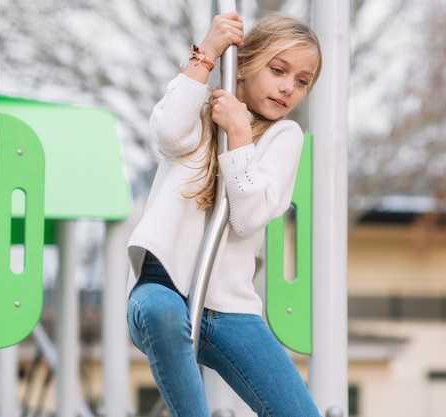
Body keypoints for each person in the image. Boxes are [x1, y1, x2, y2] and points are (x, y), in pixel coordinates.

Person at [125, 11, 323, 417]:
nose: (288, 87)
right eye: (278, 70)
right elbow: (166, 133)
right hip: (163, 287)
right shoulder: (201, 107)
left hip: (229, 310)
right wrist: (208, 53)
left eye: (302, 81)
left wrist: (239, 136)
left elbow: (248, 218)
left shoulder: (285, 138)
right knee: (162, 312)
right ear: (246, 64)